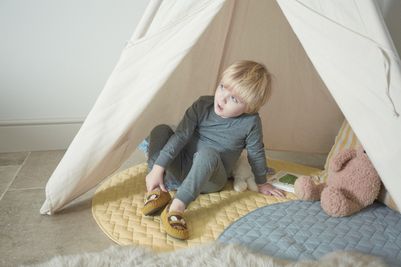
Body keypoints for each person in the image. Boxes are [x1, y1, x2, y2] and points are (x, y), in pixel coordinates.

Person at [142, 60, 284, 240]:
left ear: (249, 107)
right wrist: (157, 168)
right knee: (161, 130)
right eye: (223, 87)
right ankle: (156, 189)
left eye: (234, 98)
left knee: (207, 153)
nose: (222, 98)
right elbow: (180, 136)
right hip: (182, 166)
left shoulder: (251, 122)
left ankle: (177, 206)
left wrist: (262, 182)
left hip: (211, 177)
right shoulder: (202, 104)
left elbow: (256, 152)